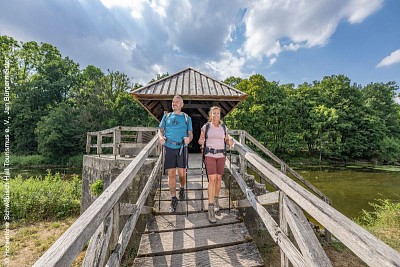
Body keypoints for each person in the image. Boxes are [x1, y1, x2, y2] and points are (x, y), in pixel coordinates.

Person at [158, 95, 193, 213]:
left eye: (177, 102)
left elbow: (190, 134)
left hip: (182, 148)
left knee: (182, 174)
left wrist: (189, 139)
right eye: (173, 101)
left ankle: (182, 188)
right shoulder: (166, 116)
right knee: (171, 174)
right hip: (169, 147)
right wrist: (160, 137)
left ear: (182, 105)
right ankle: (173, 199)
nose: (174, 103)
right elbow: (160, 130)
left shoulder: (187, 118)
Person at [198, 106, 233, 223]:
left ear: (220, 115)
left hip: (221, 156)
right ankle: (211, 207)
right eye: (214, 113)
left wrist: (230, 142)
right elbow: (200, 140)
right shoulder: (206, 127)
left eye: (218, 113)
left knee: (218, 179)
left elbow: (227, 140)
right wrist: (201, 141)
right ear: (210, 115)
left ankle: (216, 199)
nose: (216, 115)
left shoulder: (224, 127)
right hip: (210, 155)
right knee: (212, 180)